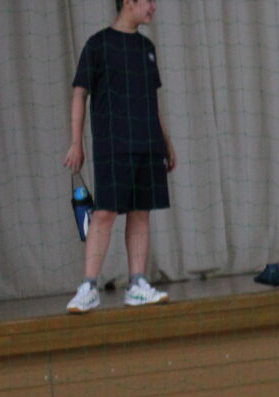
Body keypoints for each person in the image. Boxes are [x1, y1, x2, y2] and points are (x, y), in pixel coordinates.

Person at [64, 0, 175, 313]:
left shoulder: (146, 48)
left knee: (141, 212)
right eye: (148, 1)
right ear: (129, 2)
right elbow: (79, 93)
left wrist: (166, 141)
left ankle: (137, 283)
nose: (153, 7)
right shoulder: (97, 45)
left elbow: (153, 101)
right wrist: (76, 142)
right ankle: (88, 286)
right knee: (104, 213)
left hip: (148, 144)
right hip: (113, 144)